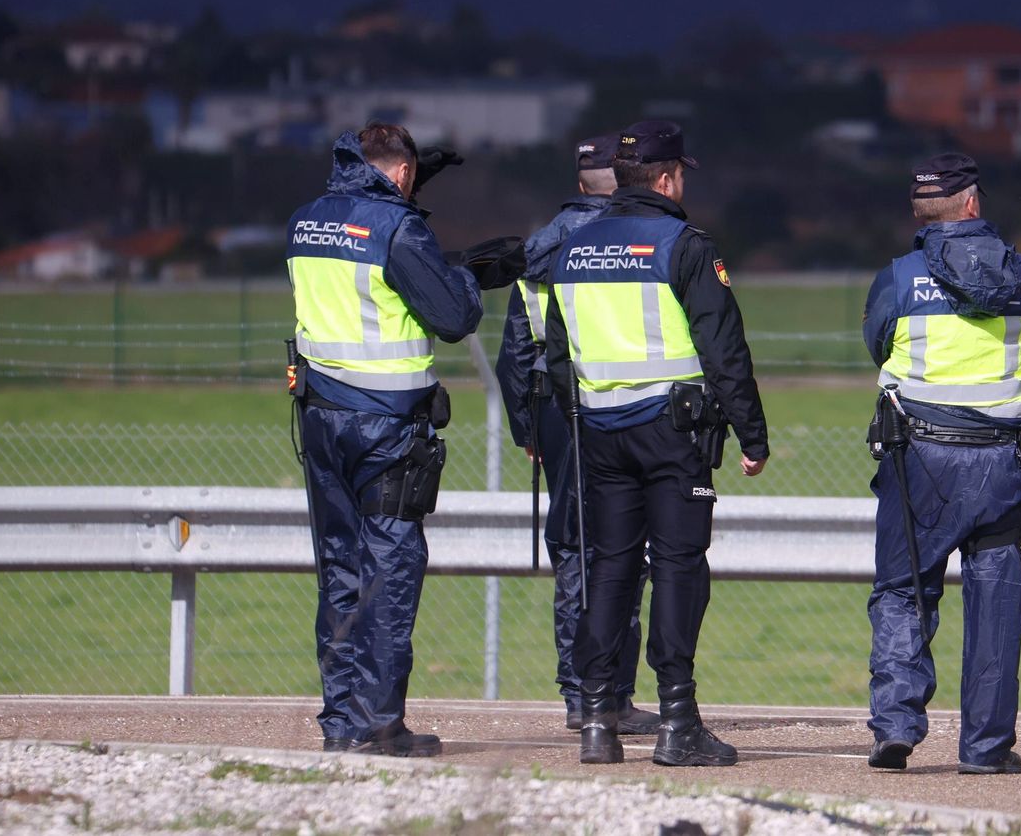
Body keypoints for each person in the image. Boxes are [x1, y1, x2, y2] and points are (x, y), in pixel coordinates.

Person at [543, 119, 770, 767]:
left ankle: (597, 720)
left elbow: (556, 358)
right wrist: (752, 436)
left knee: (610, 569)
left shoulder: (574, 248)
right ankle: (678, 722)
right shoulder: (685, 244)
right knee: (676, 567)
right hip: (674, 433)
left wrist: (582, 413)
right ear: (667, 178)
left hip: (599, 433)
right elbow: (724, 351)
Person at [285, 123, 488, 756]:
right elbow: (454, 318)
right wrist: (468, 275)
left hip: (321, 422)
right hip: (385, 429)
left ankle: (342, 721)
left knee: (340, 570)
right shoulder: (398, 228)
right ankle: (378, 723)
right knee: (391, 567)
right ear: (401, 173)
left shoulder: (306, 221)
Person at [861, 152, 1021, 776]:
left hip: (921, 459)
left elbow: (876, 343)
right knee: (996, 601)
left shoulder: (898, 276)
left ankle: (895, 728)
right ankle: (987, 750)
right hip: (1004, 461)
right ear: (972, 203)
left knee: (903, 592)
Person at [494, 134, 661, 735]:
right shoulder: (634, 239)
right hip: (620, 407)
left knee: (573, 550)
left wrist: (526, 429)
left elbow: (515, 350)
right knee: (623, 550)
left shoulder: (538, 246)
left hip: (552, 411)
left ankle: (577, 692)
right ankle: (611, 692)